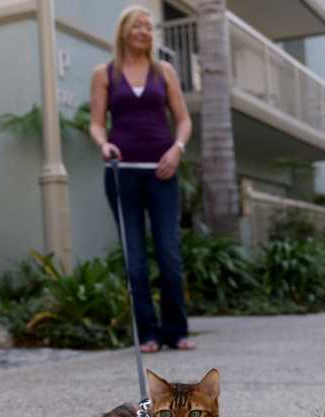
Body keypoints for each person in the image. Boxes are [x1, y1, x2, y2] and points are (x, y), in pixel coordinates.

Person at [89, 6, 194, 352]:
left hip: (162, 173)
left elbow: (183, 120)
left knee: (168, 255)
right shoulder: (105, 74)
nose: (145, 31)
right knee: (134, 261)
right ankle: (148, 334)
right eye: (139, 26)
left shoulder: (163, 72)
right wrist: (104, 145)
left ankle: (176, 331)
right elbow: (96, 122)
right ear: (124, 31)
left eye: (149, 27)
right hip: (122, 176)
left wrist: (177, 149)